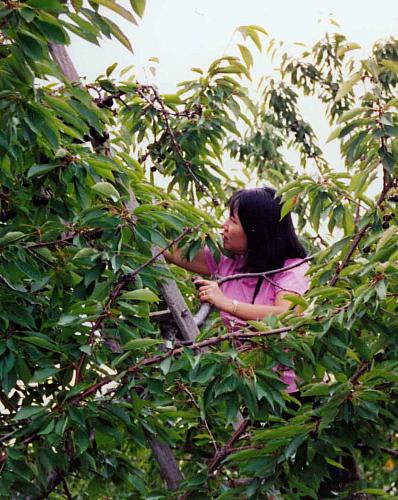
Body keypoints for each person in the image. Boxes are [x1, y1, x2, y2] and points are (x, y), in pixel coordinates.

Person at [165, 186, 309, 392]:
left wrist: (227, 303)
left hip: (288, 395)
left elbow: (284, 316)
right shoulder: (231, 262)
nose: (224, 226)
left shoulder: (293, 270)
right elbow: (168, 250)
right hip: (245, 387)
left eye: (233, 221)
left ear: (255, 229)